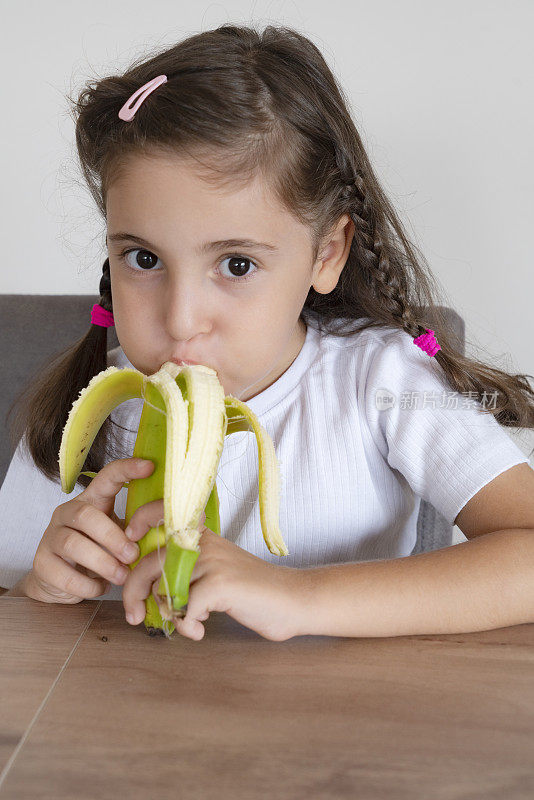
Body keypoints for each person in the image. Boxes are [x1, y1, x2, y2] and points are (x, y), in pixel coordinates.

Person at [2, 24, 534, 643]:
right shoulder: (84, 414)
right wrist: (42, 588)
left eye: (236, 265)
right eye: (144, 259)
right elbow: (17, 617)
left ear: (326, 254)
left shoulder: (381, 383)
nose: (180, 320)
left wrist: (296, 595)